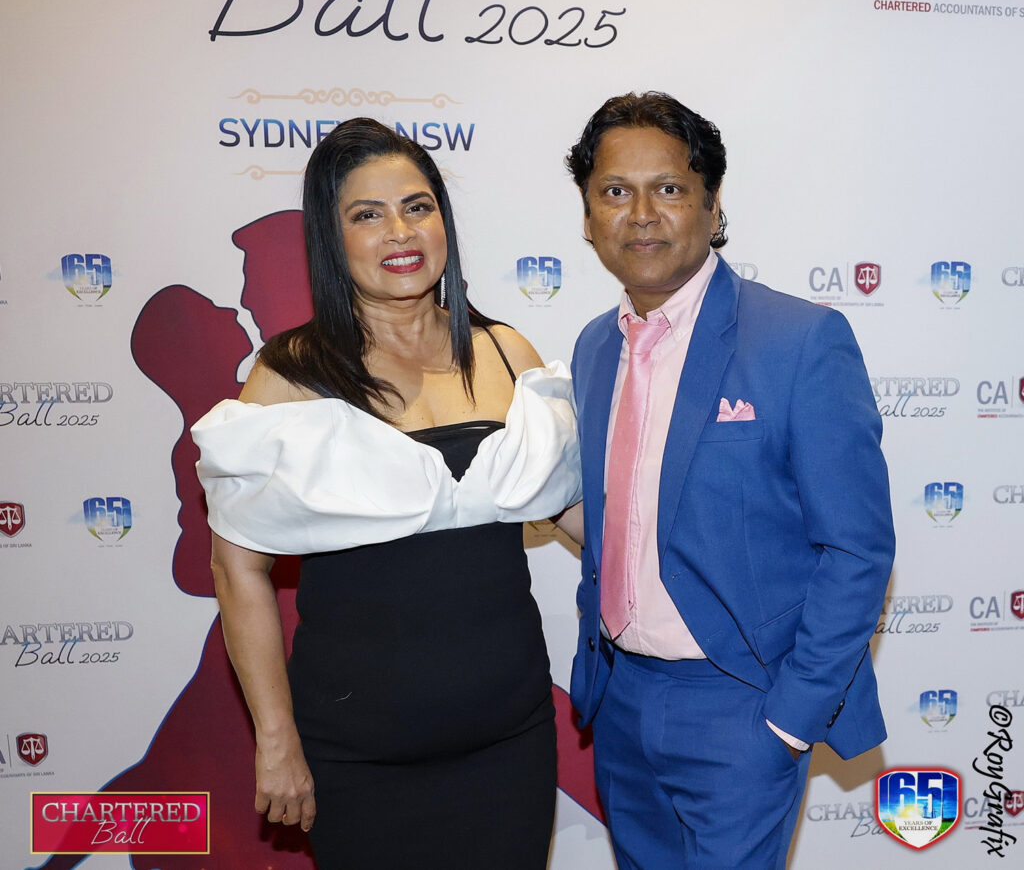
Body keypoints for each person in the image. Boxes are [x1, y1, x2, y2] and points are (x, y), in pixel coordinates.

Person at [191, 118, 582, 869]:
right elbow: (237, 568)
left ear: (444, 221)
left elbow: (571, 510)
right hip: (358, 758)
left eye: (417, 206)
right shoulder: (290, 375)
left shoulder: (507, 353)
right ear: (330, 238)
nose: (399, 232)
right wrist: (276, 741)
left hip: (509, 742)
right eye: (367, 215)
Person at [565, 92, 895, 869]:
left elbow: (856, 549)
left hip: (742, 708)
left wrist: (788, 721)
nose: (641, 214)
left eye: (668, 188)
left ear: (712, 207)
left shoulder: (800, 340)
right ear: (587, 218)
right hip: (620, 703)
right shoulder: (593, 348)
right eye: (615, 192)